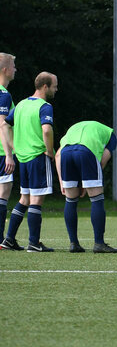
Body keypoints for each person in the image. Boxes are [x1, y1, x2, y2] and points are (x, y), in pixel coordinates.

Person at [2, 72, 58, 252]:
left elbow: (4, 125)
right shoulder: (45, 106)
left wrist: (14, 147)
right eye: (54, 86)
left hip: (23, 159)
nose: (56, 89)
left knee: (24, 198)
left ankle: (9, 239)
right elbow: (47, 130)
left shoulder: (20, 105)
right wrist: (49, 151)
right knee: (36, 200)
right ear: (45, 87)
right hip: (37, 157)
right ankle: (34, 243)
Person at [55, 120, 117, 253]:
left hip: (66, 153)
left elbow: (57, 155)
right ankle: (99, 243)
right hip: (86, 152)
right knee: (96, 198)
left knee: (70, 200)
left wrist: (62, 181)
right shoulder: (110, 134)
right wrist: (87, 183)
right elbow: (102, 160)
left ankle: (74, 243)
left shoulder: (73, 128)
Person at [0, 53, 17, 247]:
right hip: (1, 153)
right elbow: (2, 124)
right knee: (3, 194)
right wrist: (9, 155)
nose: (15, 69)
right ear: (5, 70)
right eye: (13, 66)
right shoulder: (3, 94)